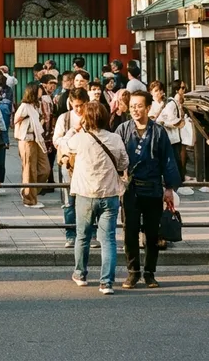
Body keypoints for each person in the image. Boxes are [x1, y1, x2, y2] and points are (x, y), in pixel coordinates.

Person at [58, 102, 128, 294]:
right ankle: (106, 282)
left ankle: (80, 273)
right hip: (110, 194)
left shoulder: (80, 139)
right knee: (108, 240)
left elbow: (63, 143)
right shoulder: (115, 138)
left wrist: (75, 127)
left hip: (85, 194)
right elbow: (124, 163)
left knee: (83, 236)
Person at [116, 91, 182, 288]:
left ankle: (150, 272)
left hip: (153, 188)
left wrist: (169, 188)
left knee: (153, 234)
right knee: (130, 231)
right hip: (131, 189)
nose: (135, 109)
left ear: (147, 108)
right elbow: (114, 157)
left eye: (139, 106)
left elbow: (168, 161)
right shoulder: (123, 129)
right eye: (132, 106)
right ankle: (133, 271)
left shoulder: (159, 132)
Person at [54, 88, 90, 247]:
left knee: (89, 200)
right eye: (76, 106)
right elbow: (57, 141)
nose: (79, 109)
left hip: (89, 163)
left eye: (82, 105)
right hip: (69, 163)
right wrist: (73, 131)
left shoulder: (92, 117)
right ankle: (70, 234)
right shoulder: (64, 118)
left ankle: (90, 233)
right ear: (70, 103)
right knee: (69, 201)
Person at [12, 82, 50, 208]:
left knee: (45, 169)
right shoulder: (24, 106)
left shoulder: (37, 105)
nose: (41, 92)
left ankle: (28, 191)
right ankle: (29, 199)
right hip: (27, 139)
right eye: (39, 90)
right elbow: (16, 120)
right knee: (29, 170)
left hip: (38, 139)